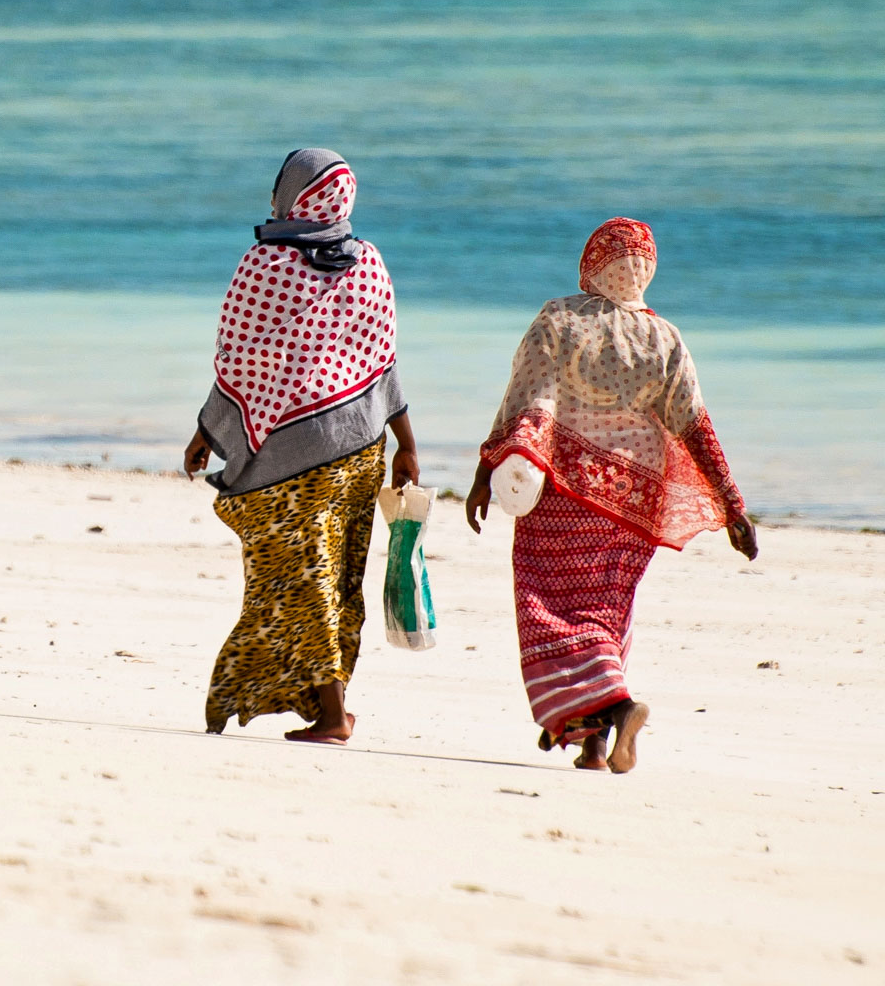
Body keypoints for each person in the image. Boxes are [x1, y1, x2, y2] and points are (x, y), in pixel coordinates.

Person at [465, 217, 757, 774]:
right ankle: (591, 744)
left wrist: (487, 468)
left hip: (563, 494)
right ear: (646, 269)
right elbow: (696, 426)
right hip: (633, 500)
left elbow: (529, 402)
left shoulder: (558, 319)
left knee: (548, 608)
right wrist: (732, 506)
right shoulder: (665, 337)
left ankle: (620, 709)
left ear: (592, 265)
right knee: (604, 612)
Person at [185, 148, 419, 744]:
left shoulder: (264, 263)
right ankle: (324, 701)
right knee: (334, 574)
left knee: (298, 576)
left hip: (288, 455)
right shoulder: (367, 261)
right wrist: (406, 444)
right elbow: (381, 360)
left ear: (292, 195)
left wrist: (207, 431)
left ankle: (333, 712)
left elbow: (240, 361)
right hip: (360, 444)